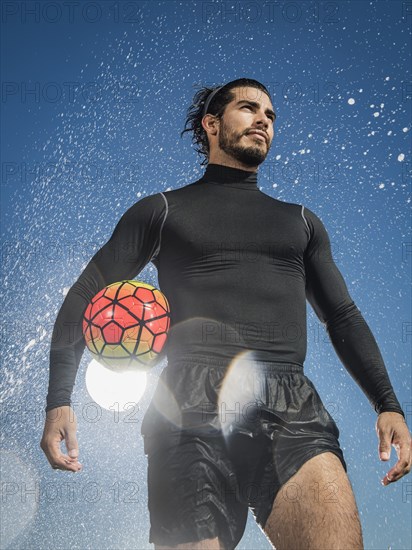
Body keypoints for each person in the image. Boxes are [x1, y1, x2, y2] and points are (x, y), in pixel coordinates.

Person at [40, 78, 411, 550]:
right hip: (189, 407)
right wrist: (59, 399)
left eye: (271, 115)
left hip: (292, 404)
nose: (263, 120)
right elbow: (84, 297)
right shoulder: (161, 211)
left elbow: (342, 316)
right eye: (249, 109)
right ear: (211, 125)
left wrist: (388, 403)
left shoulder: (300, 222)